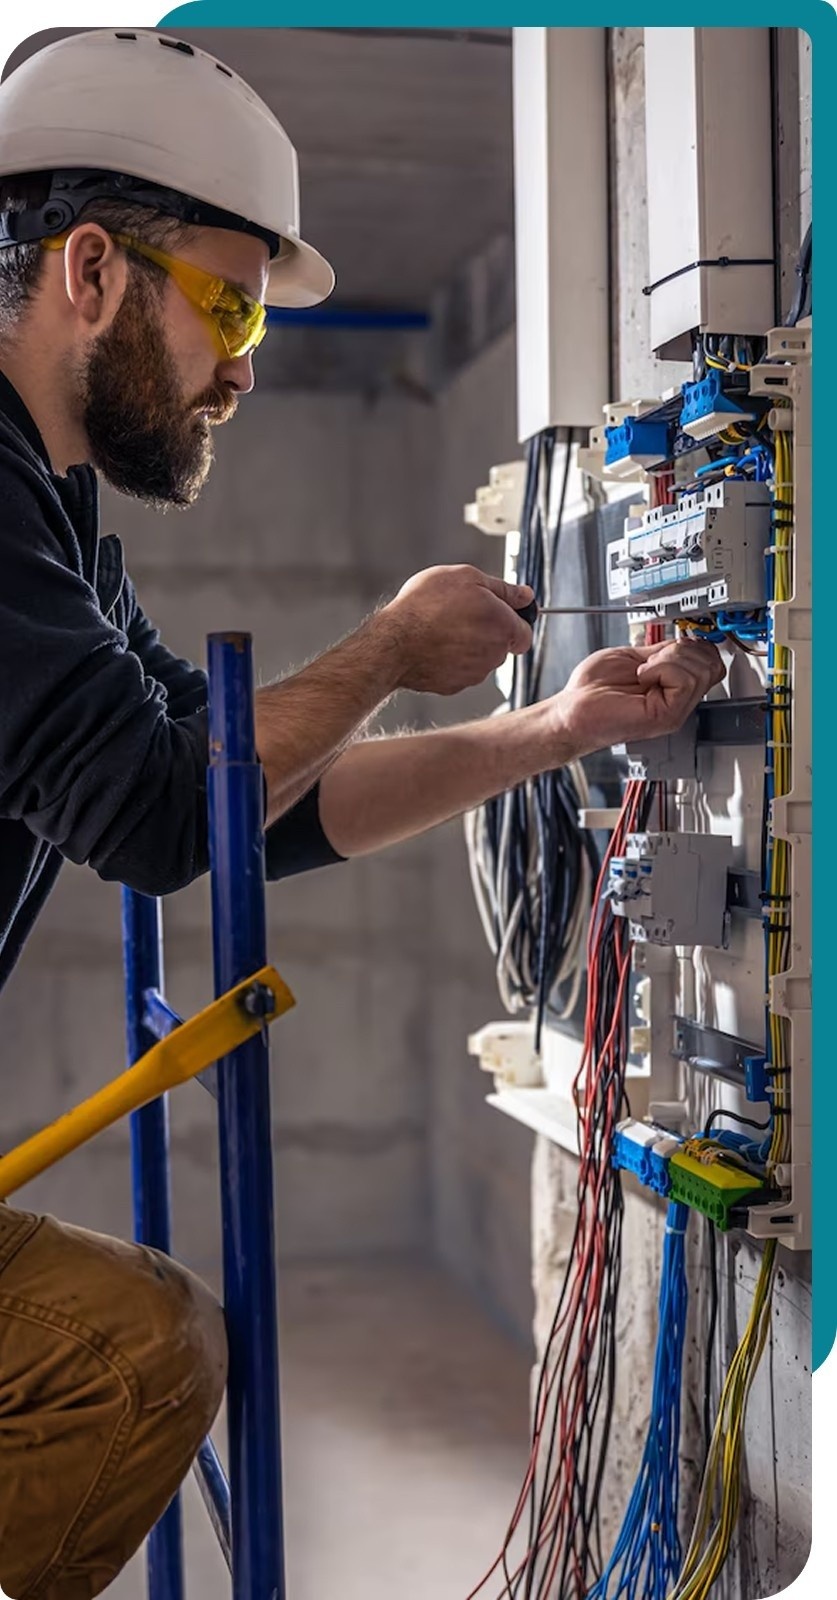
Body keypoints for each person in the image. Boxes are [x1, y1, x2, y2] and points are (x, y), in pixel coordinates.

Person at [0, 28, 724, 1600]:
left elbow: (227, 801)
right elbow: (152, 808)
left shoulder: (49, 515)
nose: (245, 366)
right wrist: (387, 648)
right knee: (129, 1361)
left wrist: (549, 725)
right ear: (91, 272)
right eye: (233, 302)